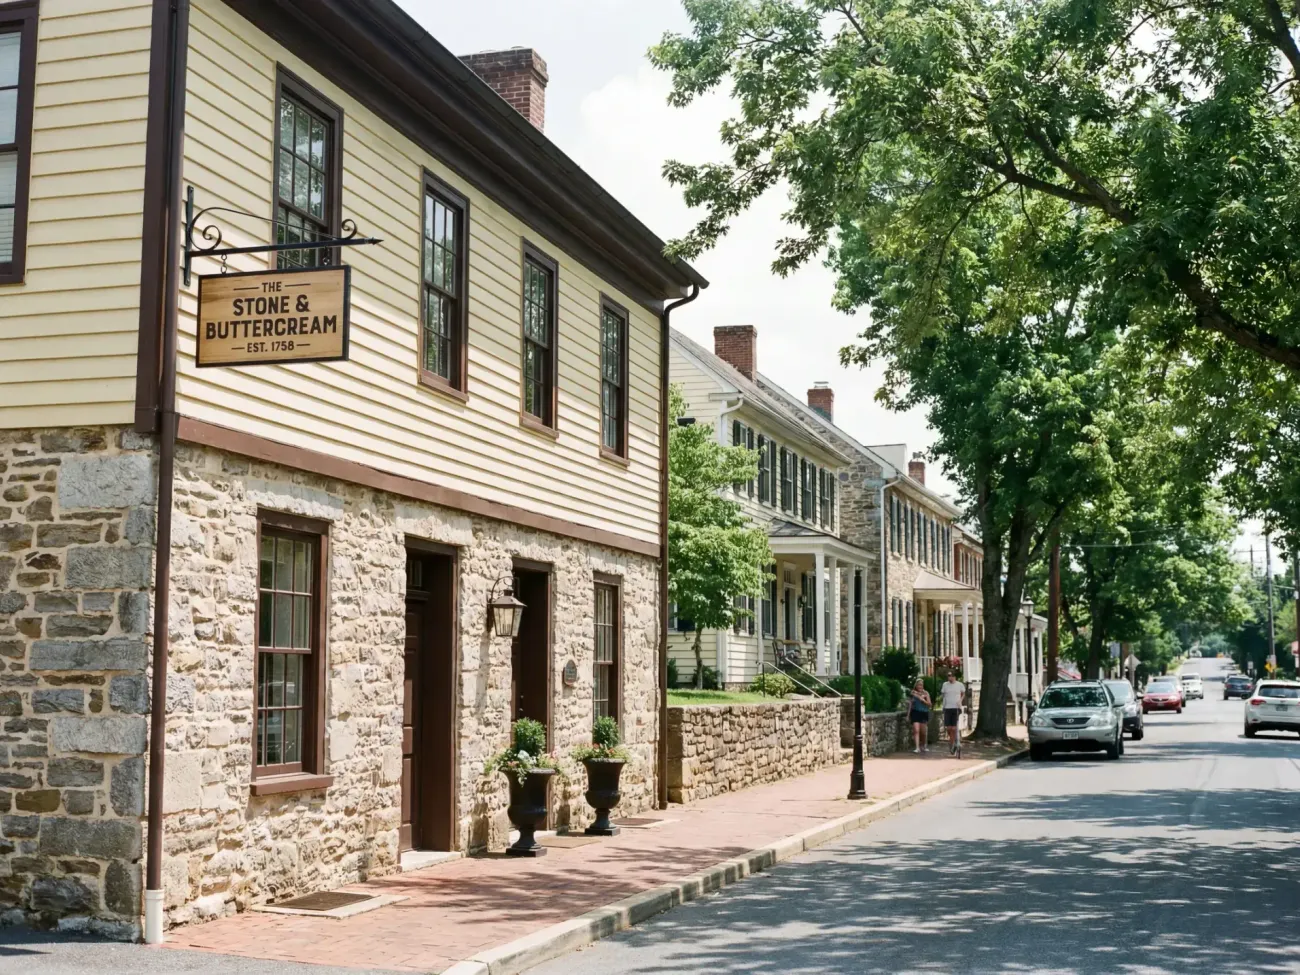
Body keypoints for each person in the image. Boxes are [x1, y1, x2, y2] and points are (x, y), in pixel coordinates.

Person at [941, 671, 966, 757]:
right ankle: (952, 742)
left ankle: (953, 744)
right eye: (948, 676)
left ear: (954, 677)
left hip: (956, 708)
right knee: (949, 728)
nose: (949, 677)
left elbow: (963, 693)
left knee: (954, 728)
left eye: (951, 676)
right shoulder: (945, 685)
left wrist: (960, 701)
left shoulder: (959, 685)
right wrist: (943, 706)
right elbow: (943, 696)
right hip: (947, 708)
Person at [909, 679, 931, 753]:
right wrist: (908, 715)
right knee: (916, 730)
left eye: (921, 685)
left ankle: (923, 745)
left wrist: (923, 700)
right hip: (915, 712)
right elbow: (911, 703)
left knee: (923, 732)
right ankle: (917, 748)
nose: (920, 686)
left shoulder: (926, 693)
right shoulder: (913, 692)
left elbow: (929, 704)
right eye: (918, 685)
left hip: (924, 713)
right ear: (916, 685)